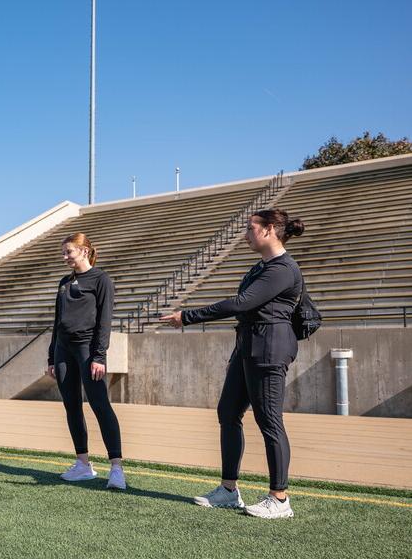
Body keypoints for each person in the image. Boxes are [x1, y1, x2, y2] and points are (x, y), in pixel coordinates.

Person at [160, 209, 305, 519]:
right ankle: (228, 490)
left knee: (269, 421)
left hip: (269, 349)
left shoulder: (282, 268)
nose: (246, 234)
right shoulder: (261, 267)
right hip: (248, 347)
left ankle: (279, 499)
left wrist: (187, 316)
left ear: (268, 230)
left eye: (251, 228)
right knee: (228, 412)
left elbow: (241, 303)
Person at [46, 233, 126, 489]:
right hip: (63, 351)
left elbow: (105, 321)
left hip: (87, 350)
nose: (65, 257)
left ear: (83, 251)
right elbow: (57, 323)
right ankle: (83, 464)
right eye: (63, 253)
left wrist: (99, 356)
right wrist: (51, 356)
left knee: (100, 404)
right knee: (71, 406)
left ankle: (116, 468)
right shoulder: (64, 282)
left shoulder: (101, 279)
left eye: (68, 252)